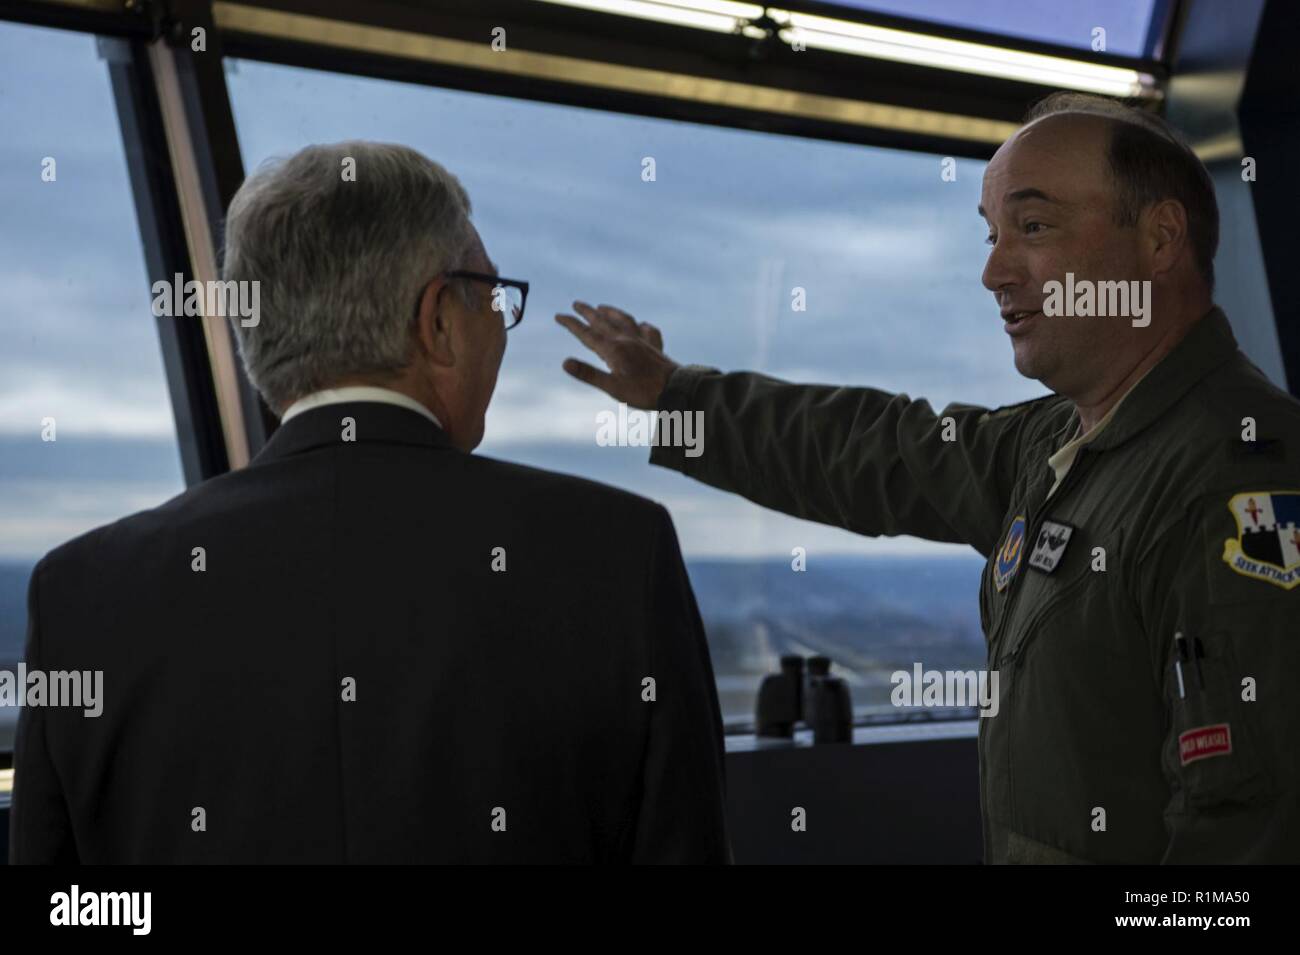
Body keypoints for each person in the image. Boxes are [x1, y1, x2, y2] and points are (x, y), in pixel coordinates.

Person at [557, 92, 1300, 863]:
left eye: (1033, 226)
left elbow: (1244, 848)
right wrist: (683, 398)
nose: (993, 271)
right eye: (990, 234)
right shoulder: (1057, 444)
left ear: (1159, 238)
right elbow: (878, 447)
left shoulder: (1237, 476)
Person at [9, 141, 729, 864]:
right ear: (438, 319)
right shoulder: (615, 556)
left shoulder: (81, 594)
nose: (499, 327)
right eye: (492, 298)